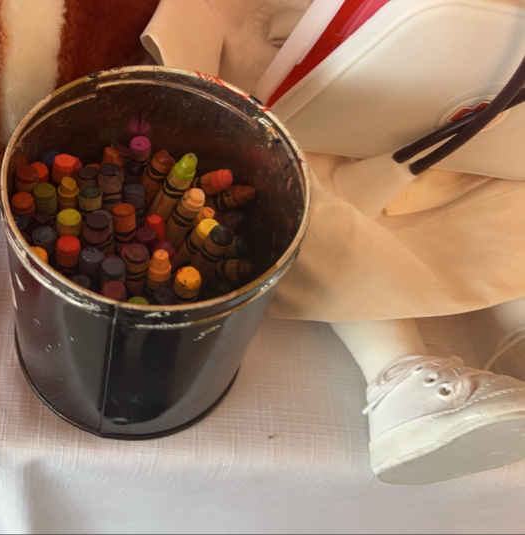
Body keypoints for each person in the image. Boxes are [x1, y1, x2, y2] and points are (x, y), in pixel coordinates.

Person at [141, 0, 525, 484]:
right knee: (305, 186)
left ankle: (514, 324)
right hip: (293, 63)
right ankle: (400, 377)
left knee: (496, 168)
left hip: (470, 80)